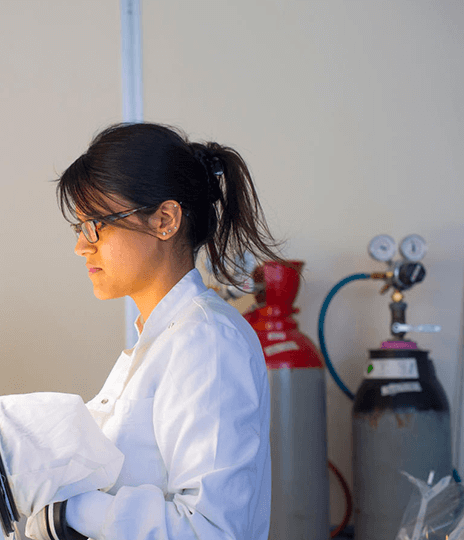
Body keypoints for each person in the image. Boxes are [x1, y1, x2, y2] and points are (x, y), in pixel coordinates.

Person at [27, 122, 278, 540]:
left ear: (165, 219)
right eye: (80, 226)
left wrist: (71, 511)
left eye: (96, 225)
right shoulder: (161, 341)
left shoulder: (208, 343)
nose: (82, 246)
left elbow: (212, 530)